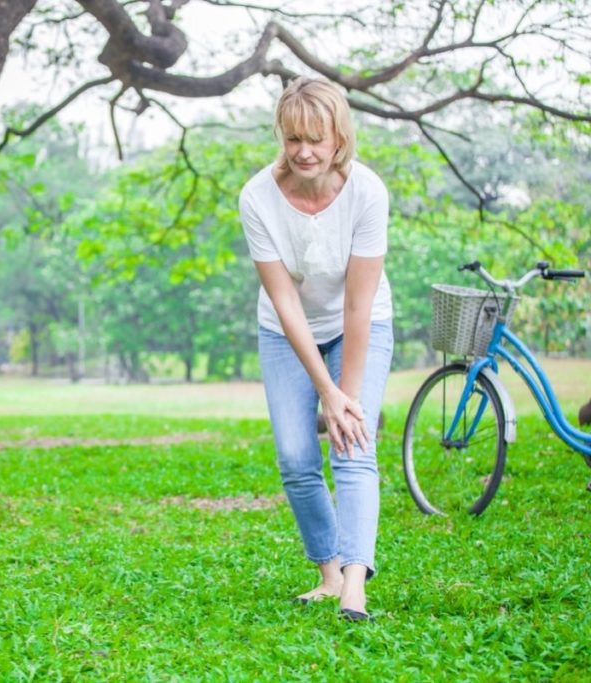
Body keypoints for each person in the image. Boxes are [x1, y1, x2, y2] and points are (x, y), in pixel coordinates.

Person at [239, 77, 394, 622]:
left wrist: (343, 397)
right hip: (287, 330)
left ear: (339, 138)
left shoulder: (367, 192)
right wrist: (323, 389)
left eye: (316, 139)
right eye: (292, 138)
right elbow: (284, 300)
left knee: (353, 443)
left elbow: (357, 305)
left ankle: (355, 584)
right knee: (297, 458)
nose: (304, 151)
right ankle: (328, 575)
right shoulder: (257, 196)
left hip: (362, 324)